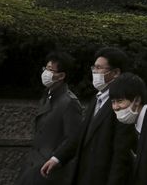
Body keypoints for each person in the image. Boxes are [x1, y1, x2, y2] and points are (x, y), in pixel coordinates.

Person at [40, 47, 135, 185]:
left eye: (99, 68)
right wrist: (57, 158)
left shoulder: (123, 105)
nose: (94, 72)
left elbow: (121, 154)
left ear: (115, 73)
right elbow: (82, 133)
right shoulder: (97, 99)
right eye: (93, 67)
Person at [16, 51, 83, 185]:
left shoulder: (69, 102)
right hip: (33, 166)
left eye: (51, 70)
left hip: (48, 170)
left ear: (62, 76)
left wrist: (55, 159)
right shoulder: (48, 95)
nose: (46, 73)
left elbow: (73, 139)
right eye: (45, 68)